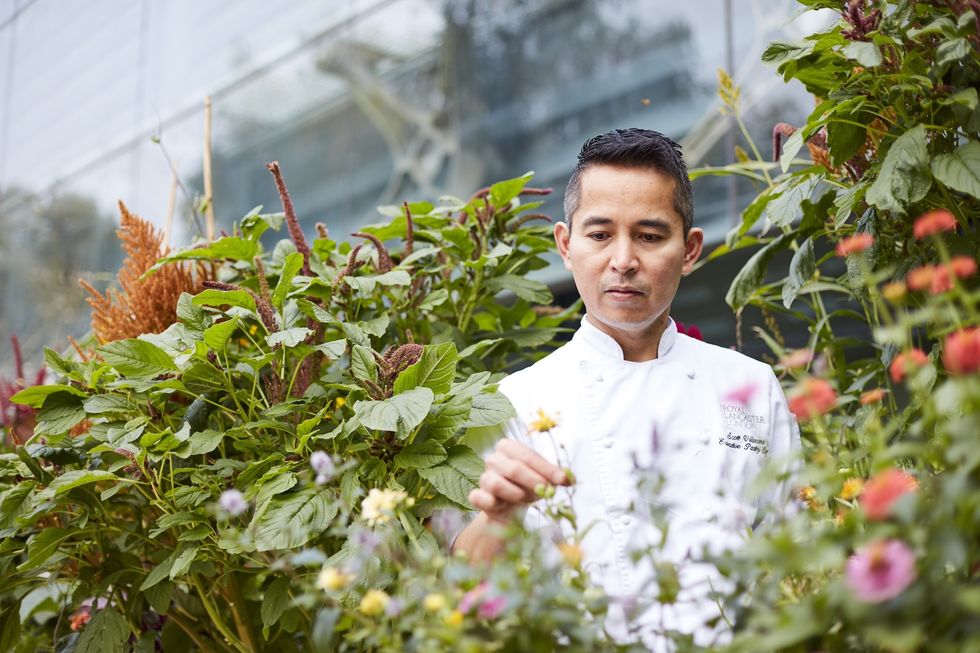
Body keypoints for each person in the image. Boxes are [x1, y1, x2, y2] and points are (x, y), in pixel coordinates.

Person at [452, 128, 800, 647]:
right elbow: (461, 589)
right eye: (599, 235)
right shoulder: (512, 404)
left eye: (650, 236)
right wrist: (499, 517)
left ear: (690, 250)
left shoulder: (750, 385)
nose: (623, 260)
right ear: (565, 246)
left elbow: (797, 552)